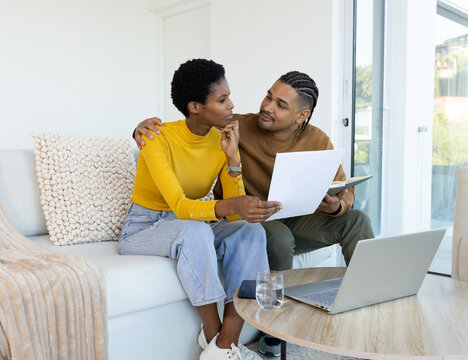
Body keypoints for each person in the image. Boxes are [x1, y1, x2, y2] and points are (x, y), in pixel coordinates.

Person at [133, 70, 375, 357]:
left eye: (281, 105)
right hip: (257, 219)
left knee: (357, 220)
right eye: (268, 97)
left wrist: (337, 205)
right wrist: (140, 129)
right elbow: (193, 121)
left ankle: (370, 305)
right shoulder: (235, 127)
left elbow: (345, 190)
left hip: (299, 218)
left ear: (302, 116)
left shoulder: (317, 140)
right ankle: (275, 329)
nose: (267, 107)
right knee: (277, 237)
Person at [119, 58, 281, 360]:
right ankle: (212, 333)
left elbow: (233, 217)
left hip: (191, 222)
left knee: (250, 230)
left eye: (229, 96)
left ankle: (226, 344)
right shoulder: (157, 138)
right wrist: (233, 203)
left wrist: (233, 160)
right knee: (194, 231)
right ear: (195, 106)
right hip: (144, 227)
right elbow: (180, 206)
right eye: (222, 99)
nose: (231, 104)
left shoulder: (221, 139)